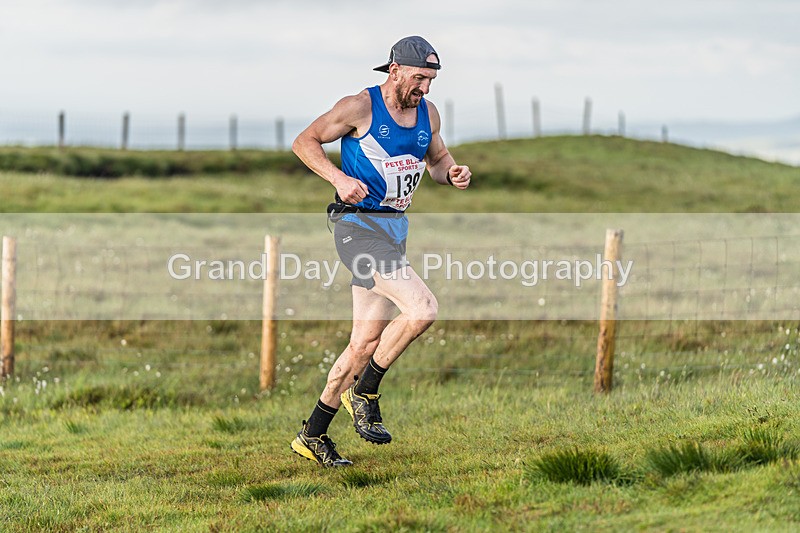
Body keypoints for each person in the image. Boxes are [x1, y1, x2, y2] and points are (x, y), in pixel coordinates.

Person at [290, 36, 471, 467]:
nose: (425, 88)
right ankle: (365, 391)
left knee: (363, 343)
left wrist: (452, 173)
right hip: (357, 229)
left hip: (393, 232)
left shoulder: (428, 114)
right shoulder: (360, 107)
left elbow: (437, 160)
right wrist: (338, 179)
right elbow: (305, 141)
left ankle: (312, 435)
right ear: (395, 70)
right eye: (420, 78)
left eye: (431, 80)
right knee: (423, 309)